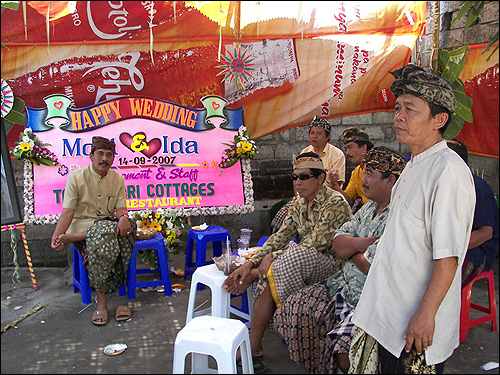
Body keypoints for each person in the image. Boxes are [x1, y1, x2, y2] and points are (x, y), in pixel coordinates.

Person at [351, 64, 476, 374]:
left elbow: (448, 257)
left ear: (439, 120)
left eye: (410, 109)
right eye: (397, 108)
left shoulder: (447, 172)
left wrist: (425, 315)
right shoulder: (414, 164)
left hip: (413, 328)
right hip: (389, 317)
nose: (399, 117)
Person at [273, 146, 407, 374]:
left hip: (368, 299)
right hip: (341, 285)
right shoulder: (369, 208)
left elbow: (370, 266)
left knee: (346, 352)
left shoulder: (399, 217)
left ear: (390, 181)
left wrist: (351, 250)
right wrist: (360, 246)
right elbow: (338, 243)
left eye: (370, 175)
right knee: (294, 308)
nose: (363, 180)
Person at [224, 151, 352, 373]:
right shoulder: (299, 202)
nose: (298, 182)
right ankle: (254, 347)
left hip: (334, 264)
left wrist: (267, 261)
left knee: (290, 259)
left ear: (320, 178)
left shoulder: (335, 202)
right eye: (294, 177)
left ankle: (256, 338)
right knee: (271, 275)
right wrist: (250, 263)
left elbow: (315, 243)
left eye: (304, 177)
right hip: (307, 259)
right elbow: (281, 235)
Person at [51, 136, 136, 326]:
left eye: (109, 155)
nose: (104, 159)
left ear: (113, 158)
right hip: (84, 224)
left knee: (125, 237)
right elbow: (68, 212)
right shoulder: (76, 177)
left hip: (108, 225)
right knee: (101, 246)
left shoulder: (118, 179)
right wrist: (57, 236)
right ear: (91, 156)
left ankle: (74, 238)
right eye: (100, 154)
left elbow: (121, 209)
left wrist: (123, 218)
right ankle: (102, 301)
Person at [446, 138, 499, 286]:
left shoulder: (477, 187)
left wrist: (452, 249)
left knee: (439, 283)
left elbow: (485, 233)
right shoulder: (446, 185)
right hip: (451, 248)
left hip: (476, 253)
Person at [330, 127, 374, 214]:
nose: (347, 153)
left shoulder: (375, 169)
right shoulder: (356, 172)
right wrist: (335, 185)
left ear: (363, 148)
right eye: (346, 149)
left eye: (350, 147)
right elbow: (348, 199)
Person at [301, 116, 346, 190]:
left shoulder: (337, 155)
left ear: (327, 137)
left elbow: (336, 183)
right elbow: (297, 178)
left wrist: (316, 195)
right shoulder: (305, 152)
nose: (314, 136)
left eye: (319, 133)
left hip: (330, 197)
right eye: (312, 133)